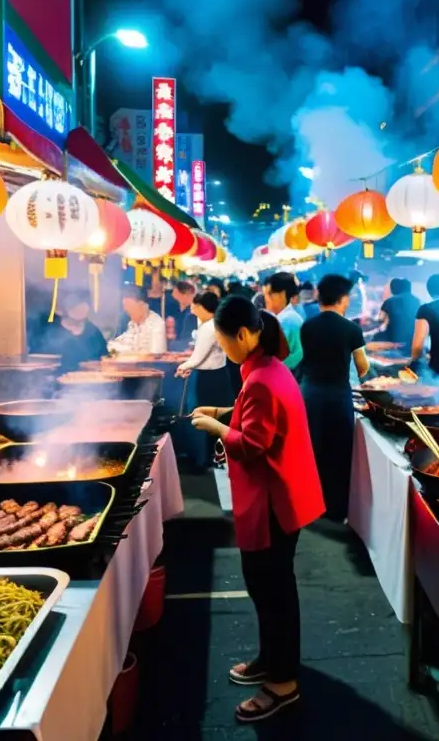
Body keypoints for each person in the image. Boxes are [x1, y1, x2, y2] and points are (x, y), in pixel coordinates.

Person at [190, 297, 324, 723]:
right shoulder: (267, 368)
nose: (223, 348)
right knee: (268, 586)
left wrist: (215, 427)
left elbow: (252, 443)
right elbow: (254, 416)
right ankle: (271, 658)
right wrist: (224, 412)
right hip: (279, 493)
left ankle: (283, 683)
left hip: (273, 500)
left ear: (244, 336)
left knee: (272, 590)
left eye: (223, 341)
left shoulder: (263, 378)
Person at [300, 275, 370, 521]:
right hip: (338, 396)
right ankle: (337, 510)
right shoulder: (351, 329)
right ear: (343, 299)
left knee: (313, 449)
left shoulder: (307, 326)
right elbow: (362, 367)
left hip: (310, 394)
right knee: (339, 453)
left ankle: (310, 505)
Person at [175, 292, 234, 469]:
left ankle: (207, 459)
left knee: (208, 419)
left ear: (201, 307)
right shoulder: (214, 323)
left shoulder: (209, 327)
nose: (192, 310)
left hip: (210, 379)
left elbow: (199, 356)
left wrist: (183, 367)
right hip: (217, 376)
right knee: (217, 419)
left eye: (194, 306)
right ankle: (215, 457)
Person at [40, 290, 109, 374]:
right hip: (56, 382)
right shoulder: (51, 331)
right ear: (59, 310)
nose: (81, 308)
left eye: (84, 303)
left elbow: (105, 359)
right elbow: (44, 362)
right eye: (74, 305)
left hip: (91, 381)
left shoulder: (93, 331)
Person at [263, 272, 304, 374]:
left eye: (270, 293)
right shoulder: (287, 316)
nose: (266, 299)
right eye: (265, 294)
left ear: (283, 294)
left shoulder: (286, 319)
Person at [108, 285, 167, 355]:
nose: (126, 311)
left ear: (142, 305)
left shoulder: (157, 325)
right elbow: (114, 345)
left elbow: (155, 356)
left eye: (129, 307)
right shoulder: (132, 324)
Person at [378, 278, 421, 347]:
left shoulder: (390, 301)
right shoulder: (419, 302)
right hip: (414, 341)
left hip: (393, 340)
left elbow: (380, 320)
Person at [170, 280, 199, 350]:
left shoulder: (192, 315)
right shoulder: (179, 312)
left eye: (176, 297)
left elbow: (187, 342)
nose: (174, 300)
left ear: (187, 293)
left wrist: (171, 344)